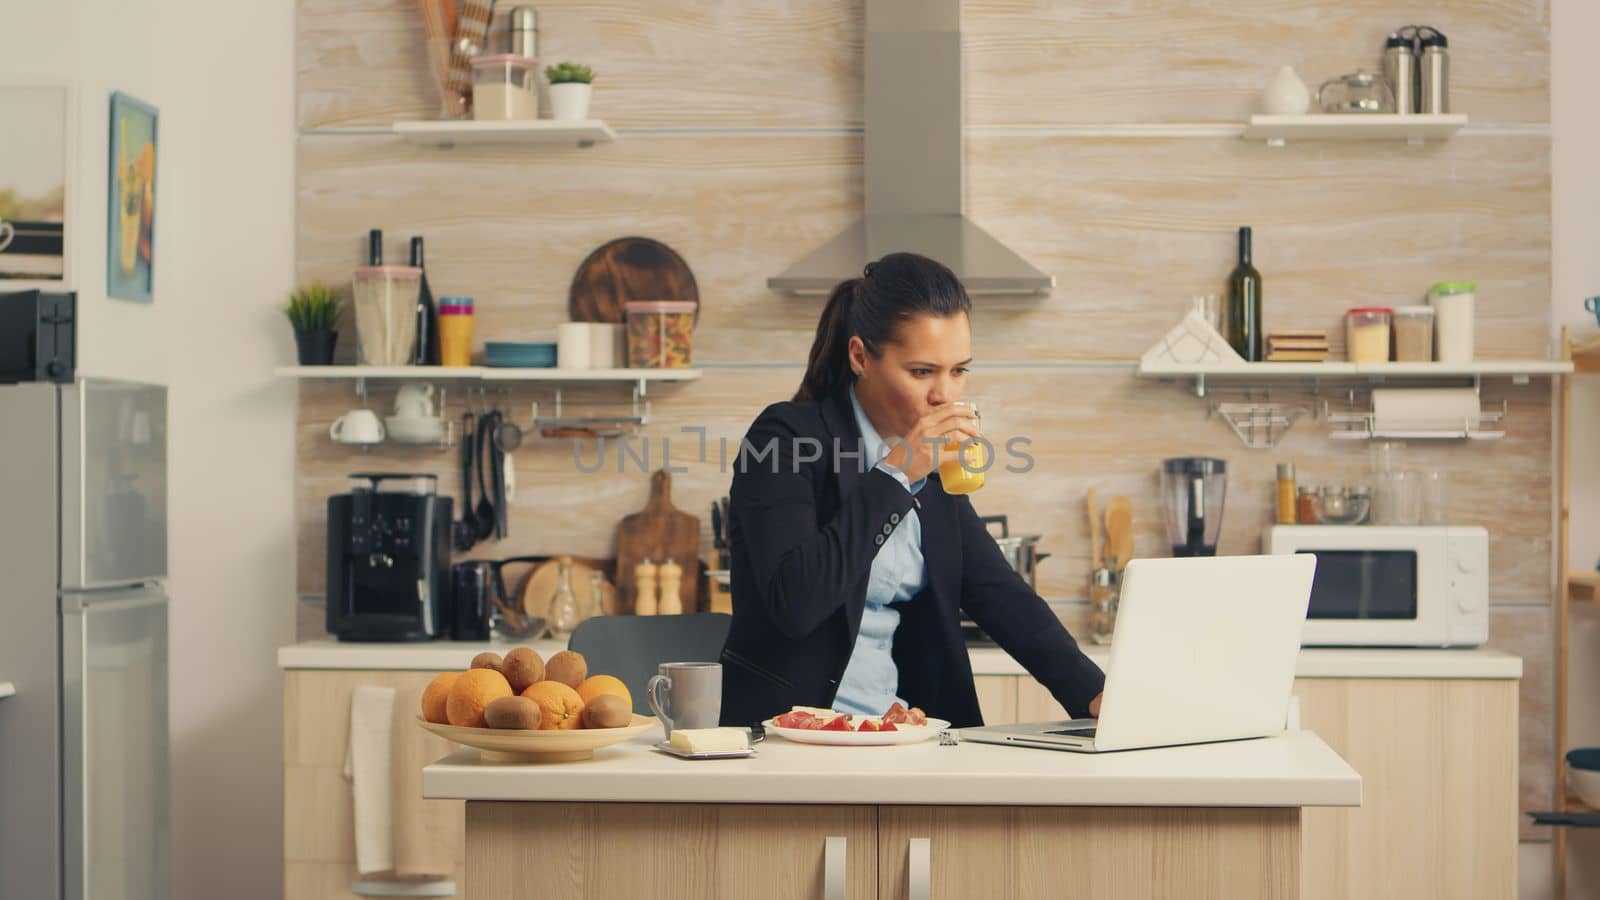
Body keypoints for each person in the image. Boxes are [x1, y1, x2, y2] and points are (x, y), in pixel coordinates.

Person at [717, 251, 1104, 728]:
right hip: (789, 734)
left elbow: (997, 593)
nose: (944, 394)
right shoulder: (784, 439)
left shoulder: (929, 463)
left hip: (897, 732)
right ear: (860, 356)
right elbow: (795, 603)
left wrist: (1094, 692)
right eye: (923, 372)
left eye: (958, 370)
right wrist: (896, 474)